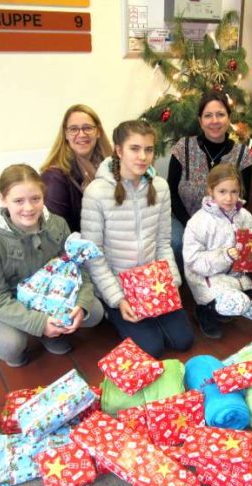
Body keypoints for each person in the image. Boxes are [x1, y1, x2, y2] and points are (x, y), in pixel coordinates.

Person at [82, 120, 194, 357]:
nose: (143, 156)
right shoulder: (97, 193)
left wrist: (170, 283)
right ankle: (111, 312)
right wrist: (118, 299)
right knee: (153, 347)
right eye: (135, 148)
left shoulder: (160, 187)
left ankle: (151, 315)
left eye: (149, 149)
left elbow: (163, 242)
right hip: (119, 284)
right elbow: (94, 256)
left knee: (183, 340)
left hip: (153, 282)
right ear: (119, 150)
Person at [0, 164, 104, 367]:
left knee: (93, 311)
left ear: (43, 196)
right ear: (3, 199)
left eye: (35, 199)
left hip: (51, 296)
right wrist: (38, 323)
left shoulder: (58, 224)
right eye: (18, 201)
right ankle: (30, 336)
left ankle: (51, 333)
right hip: (9, 301)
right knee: (9, 345)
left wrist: (81, 304)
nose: (28, 208)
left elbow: (76, 267)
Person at [182, 164, 252, 339]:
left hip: (237, 278)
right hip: (207, 278)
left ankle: (227, 306)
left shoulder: (245, 216)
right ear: (211, 190)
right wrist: (224, 256)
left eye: (234, 192)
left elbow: (249, 248)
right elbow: (193, 261)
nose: (229, 198)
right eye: (222, 191)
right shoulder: (198, 222)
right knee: (238, 303)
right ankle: (205, 311)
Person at [168, 91, 252, 269]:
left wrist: (221, 229)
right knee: (178, 242)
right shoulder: (183, 148)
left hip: (225, 221)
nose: (214, 121)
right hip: (184, 218)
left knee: (224, 249)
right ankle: (183, 289)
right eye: (208, 115)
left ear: (229, 118)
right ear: (200, 121)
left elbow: (243, 198)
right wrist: (191, 225)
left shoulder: (242, 155)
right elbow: (171, 192)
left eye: (220, 114)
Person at [40, 104, 112, 232]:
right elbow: (57, 234)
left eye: (87, 128)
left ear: (98, 132)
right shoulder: (54, 178)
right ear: (66, 134)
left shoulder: (109, 167)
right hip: (77, 249)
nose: (81, 134)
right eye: (73, 129)